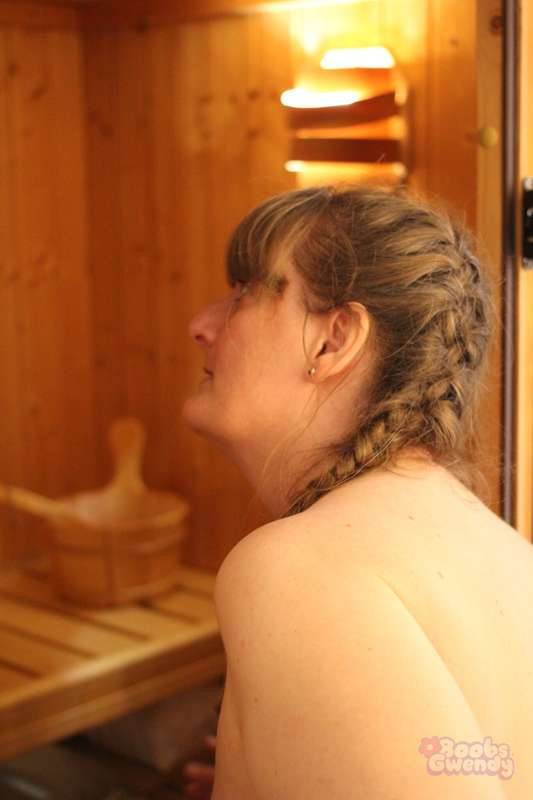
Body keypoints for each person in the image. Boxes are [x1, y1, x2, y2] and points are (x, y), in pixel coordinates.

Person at [181, 184, 533, 799]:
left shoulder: (295, 570)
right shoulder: (500, 545)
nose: (201, 326)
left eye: (245, 292)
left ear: (333, 340)